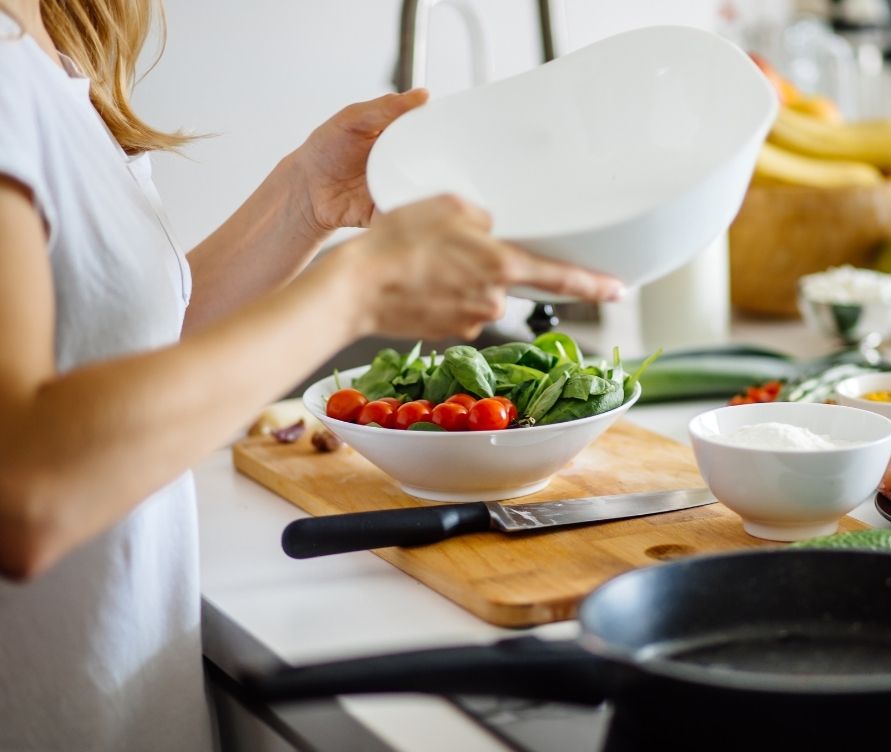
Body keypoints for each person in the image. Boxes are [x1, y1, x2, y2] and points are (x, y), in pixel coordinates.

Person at [0, 1, 623, 749]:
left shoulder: (50, 43)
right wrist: (356, 289)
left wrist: (303, 201)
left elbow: (117, 349)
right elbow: (24, 489)